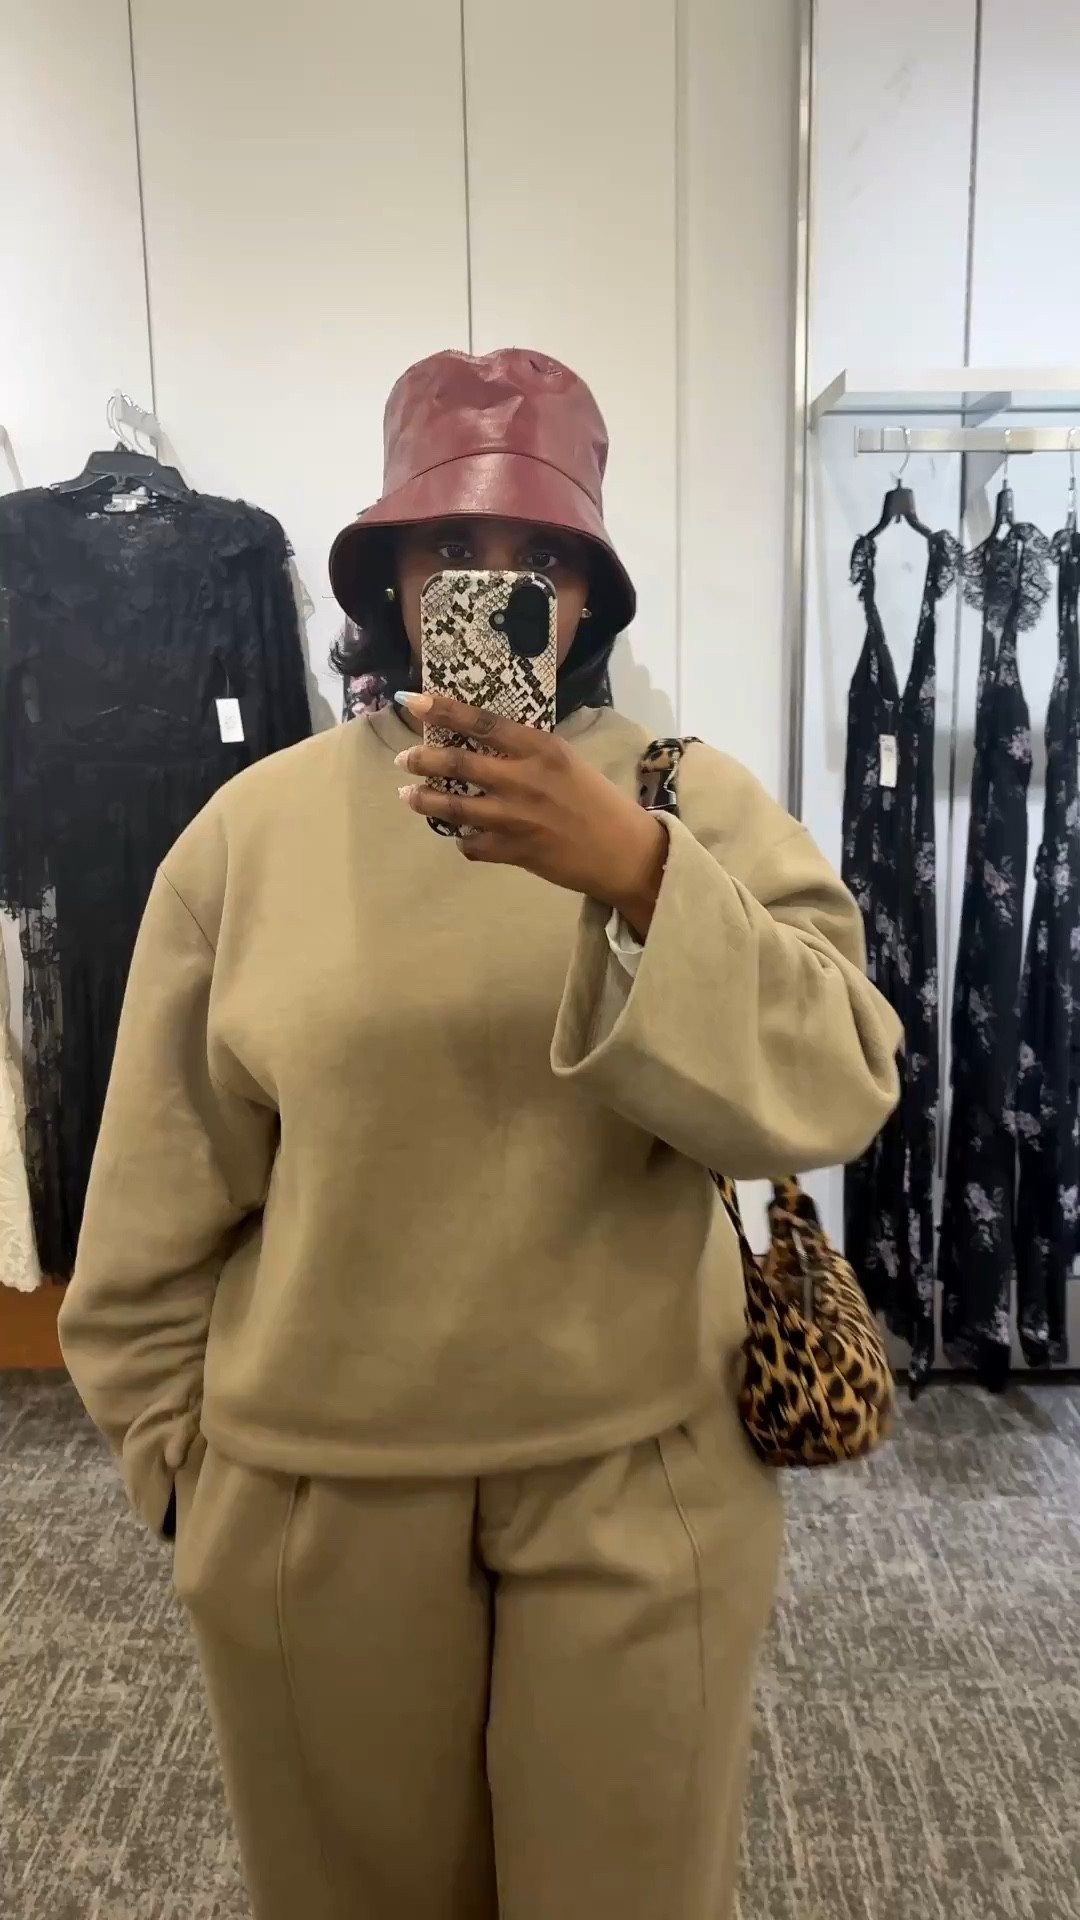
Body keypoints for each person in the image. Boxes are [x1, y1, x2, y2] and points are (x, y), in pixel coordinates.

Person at [60, 347, 901, 1920]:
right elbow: (156, 1203)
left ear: (589, 594)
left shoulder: (690, 807)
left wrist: (638, 874)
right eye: (452, 545)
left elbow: (841, 1083)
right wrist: (188, 1481)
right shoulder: (251, 838)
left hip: (639, 1477)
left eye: (541, 557)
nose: (496, 589)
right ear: (387, 578)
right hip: (318, 1499)